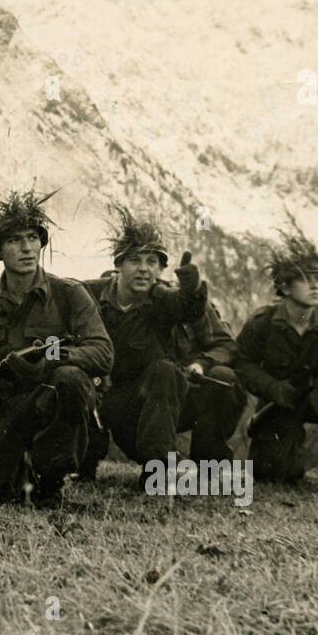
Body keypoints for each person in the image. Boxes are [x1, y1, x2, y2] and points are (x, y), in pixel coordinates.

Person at [0, 191, 112, 505]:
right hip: (2, 405)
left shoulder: (69, 293)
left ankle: (51, 483)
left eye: (32, 238)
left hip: (50, 396)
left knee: (69, 379)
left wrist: (51, 358)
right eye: (14, 240)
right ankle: (17, 470)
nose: (26, 248)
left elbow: (103, 352)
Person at [79, 207, 207, 488]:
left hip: (141, 408)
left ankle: (158, 470)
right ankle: (79, 463)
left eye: (152, 262)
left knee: (166, 371)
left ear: (160, 270)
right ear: (119, 264)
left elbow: (187, 308)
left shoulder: (162, 299)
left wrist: (193, 289)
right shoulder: (89, 294)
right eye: (134, 260)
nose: (143, 269)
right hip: (98, 395)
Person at [233, 236, 318, 491]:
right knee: (274, 474)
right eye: (305, 279)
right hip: (281, 401)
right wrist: (274, 388)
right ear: (285, 287)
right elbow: (242, 363)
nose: (315, 286)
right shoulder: (263, 322)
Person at [173, 301, 249, 464]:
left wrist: (201, 364)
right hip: (143, 394)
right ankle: (159, 459)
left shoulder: (192, 303)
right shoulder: (130, 301)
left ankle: (207, 462)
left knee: (223, 376)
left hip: (185, 392)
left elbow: (226, 346)